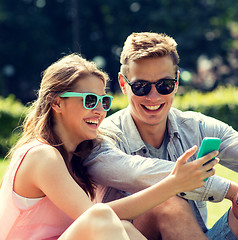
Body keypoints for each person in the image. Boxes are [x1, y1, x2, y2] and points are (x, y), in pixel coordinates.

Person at [86, 32, 238, 240]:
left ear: (176, 82)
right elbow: (142, 173)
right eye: (141, 86)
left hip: (195, 235)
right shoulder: (104, 136)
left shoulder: (195, 126)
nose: (153, 96)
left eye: (164, 85)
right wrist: (231, 191)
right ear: (123, 85)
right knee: (167, 200)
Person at [0, 53, 218, 240]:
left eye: (103, 102)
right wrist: (172, 184)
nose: (99, 111)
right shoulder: (42, 155)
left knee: (124, 226)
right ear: (57, 103)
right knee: (101, 217)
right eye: (89, 101)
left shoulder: (77, 158)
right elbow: (95, 218)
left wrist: (172, 185)